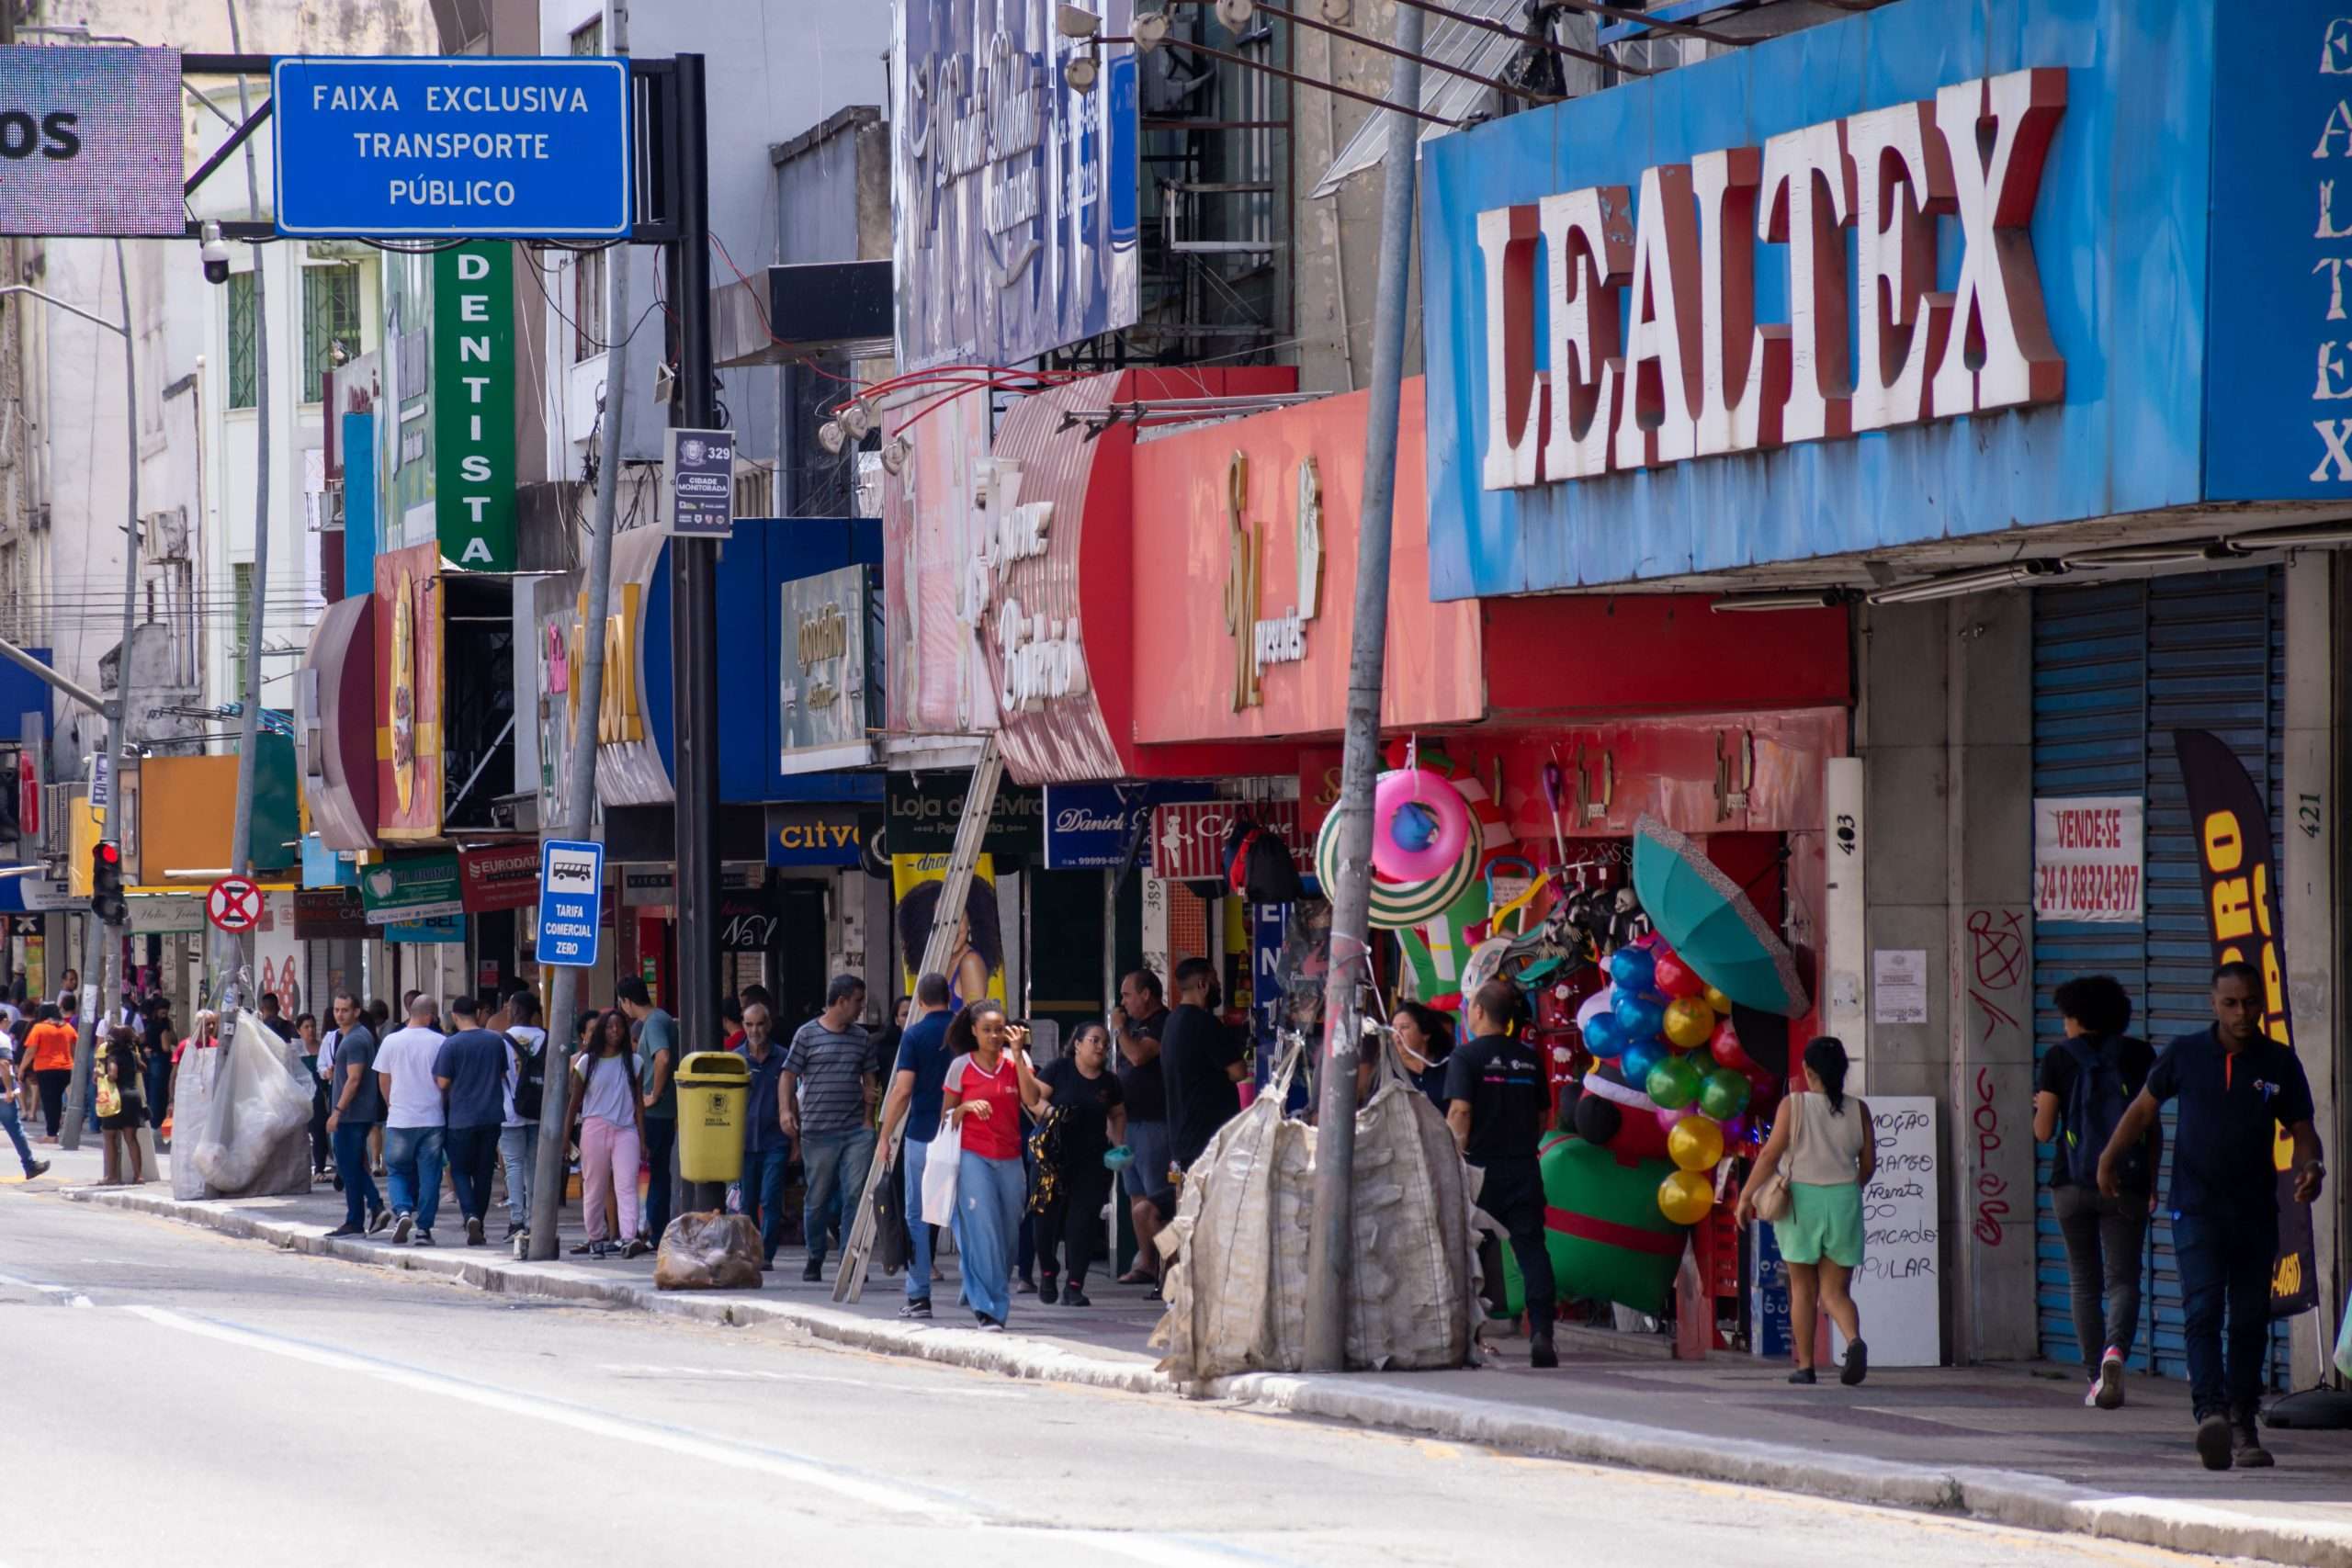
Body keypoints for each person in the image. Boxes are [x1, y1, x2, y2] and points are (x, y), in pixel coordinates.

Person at [2098, 962, 2324, 1471]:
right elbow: (2141, 1110)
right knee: (2202, 1312)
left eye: (2250, 1002)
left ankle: (2244, 1424)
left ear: (2262, 1001)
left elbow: (2301, 1127)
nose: (2242, 1012)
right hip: (2195, 1208)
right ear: (2213, 1004)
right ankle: (2211, 1416)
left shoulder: (2279, 1062)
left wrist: (2311, 1164)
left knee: (2248, 1319)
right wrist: (2108, 1157)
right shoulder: (2186, 1054)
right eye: (2231, 1003)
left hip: (2255, 1212)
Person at [2034, 974, 2158, 1411]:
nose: (2063, 1025)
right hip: (2126, 1183)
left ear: (2076, 1016)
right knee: (2123, 1279)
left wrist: (2040, 1107)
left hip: (2070, 1185)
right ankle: (2115, 1352)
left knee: (2084, 1282)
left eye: (2065, 1017)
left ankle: (2094, 1378)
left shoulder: (2057, 1058)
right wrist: (2151, 1182)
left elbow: (2044, 1130)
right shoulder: (2141, 1054)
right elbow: (2151, 1125)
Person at [1736, 1036, 1872, 1387]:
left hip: (1801, 1201)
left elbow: (1769, 1156)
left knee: (1802, 1289)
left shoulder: (1793, 1105)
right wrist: (1848, 1187)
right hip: (1844, 1199)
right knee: (1836, 1292)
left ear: (1807, 1071)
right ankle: (1854, 1341)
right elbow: (1869, 1164)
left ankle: (1806, 1366)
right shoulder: (1859, 1109)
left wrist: (1746, 1196)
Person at [1443, 981, 1558, 1369]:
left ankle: (1468, 1337)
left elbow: (1460, 1111)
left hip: (1479, 1169)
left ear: (1477, 1012)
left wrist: (1452, 1153)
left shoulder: (1466, 1057)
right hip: (1524, 1166)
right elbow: (1545, 1117)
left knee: (1469, 1251)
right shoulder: (1529, 1060)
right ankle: (1542, 1332)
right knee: (1531, 1250)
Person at [940, 1000, 1039, 1330]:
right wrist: (966, 1107)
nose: (995, 1036)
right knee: (984, 1232)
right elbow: (947, 1116)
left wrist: (1018, 1052)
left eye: (999, 1029)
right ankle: (990, 1308)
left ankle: (977, 1283)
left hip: (1010, 1156)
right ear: (973, 1031)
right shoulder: (960, 1067)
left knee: (1009, 1233)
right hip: (973, 1156)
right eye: (987, 1030)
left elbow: (1031, 1099)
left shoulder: (1016, 1060)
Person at [781, 974, 876, 1282]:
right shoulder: (806, 1035)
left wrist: (867, 1119)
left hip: (854, 1132)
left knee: (854, 1195)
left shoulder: (861, 1037)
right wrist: (785, 1112)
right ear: (841, 1001)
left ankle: (849, 1259)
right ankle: (815, 1255)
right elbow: (787, 1076)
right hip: (818, 1132)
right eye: (858, 1001)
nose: (861, 1008)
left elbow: (870, 1077)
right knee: (817, 1198)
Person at [876, 972, 956, 1319]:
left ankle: (919, 1296)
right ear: (950, 998)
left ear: (921, 1002)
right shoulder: (966, 1033)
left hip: (922, 1135)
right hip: (961, 1136)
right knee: (963, 1215)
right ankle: (979, 1294)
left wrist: (885, 1134)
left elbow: (903, 1090)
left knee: (917, 1216)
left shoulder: (915, 1035)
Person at [1031, 1020, 1125, 1306]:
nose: (1101, 1047)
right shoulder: (1058, 1070)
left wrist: (1119, 1143)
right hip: (1052, 1158)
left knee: (1082, 1223)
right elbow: (1033, 1098)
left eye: (1106, 1043)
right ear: (1078, 1044)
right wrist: (1050, 1113)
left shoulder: (1109, 1082)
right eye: (1095, 1040)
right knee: (1045, 1221)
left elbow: (1117, 1113)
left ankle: (1075, 1285)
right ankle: (1048, 1271)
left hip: (1091, 1161)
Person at [1108, 968, 1172, 1292]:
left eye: (1127, 994)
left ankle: (1168, 1268)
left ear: (1147, 994)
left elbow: (1136, 1056)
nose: (1123, 1002)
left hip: (1155, 1122)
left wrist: (1119, 1029)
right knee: (1134, 1193)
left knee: (1155, 1195)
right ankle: (1146, 1262)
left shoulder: (1162, 1023)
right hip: (1128, 1121)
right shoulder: (1132, 1027)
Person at [570, 1008, 650, 1258]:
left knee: (626, 1185)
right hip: (594, 1129)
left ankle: (629, 1237)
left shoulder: (635, 1062)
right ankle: (595, 1237)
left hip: (626, 1131)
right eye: (609, 1027)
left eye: (619, 1026)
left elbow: (638, 1104)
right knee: (594, 1186)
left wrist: (643, 1138)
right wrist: (565, 1139)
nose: (615, 1031)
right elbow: (574, 1103)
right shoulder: (586, 1062)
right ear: (601, 1032)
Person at [434, 995, 509, 1247]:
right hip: (491, 1115)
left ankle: (470, 1214)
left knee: (460, 1170)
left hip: (461, 1118)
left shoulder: (451, 1045)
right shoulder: (495, 1041)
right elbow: (501, 1073)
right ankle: (480, 1221)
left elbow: (442, 1082)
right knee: (484, 1172)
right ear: (477, 1013)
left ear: (454, 1016)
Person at [1161, 957, 1245, 1179]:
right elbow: (1238, 1072)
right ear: (1203, 985)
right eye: (1215, 980)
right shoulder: (1204, 1023)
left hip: (1184, 1137)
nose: (1218, 985)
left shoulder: (1172, 1022)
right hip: (1208, 1139)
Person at [375, 994, 448, 1247]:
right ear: (430, 1015)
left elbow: (383, 1078)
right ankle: (424, 1230)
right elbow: (445, 1081)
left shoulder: (391, 1041)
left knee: (396, 1171)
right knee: (430, 1175)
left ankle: (403, 1211)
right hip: (432, 1119)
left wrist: (390, 1104)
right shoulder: (440, 1042)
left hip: (400, 1118)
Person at [615, 976, 678, 1244]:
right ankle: (656, 1230)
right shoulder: (662, 1018)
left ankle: (646, 1228)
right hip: (665, 1112)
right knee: (659, 1172)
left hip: (653, 1112)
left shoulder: (652, 1023)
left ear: (627, 1001)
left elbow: (662, 1057)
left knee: (645, 1171)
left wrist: (655, 1094)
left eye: (622, 1004)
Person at [322, 993, 386, 1237]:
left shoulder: (356, 1039)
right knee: (354, 1166)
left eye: (345, 1010)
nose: (340, 1015)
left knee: (349, 1168)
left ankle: (367, 1211)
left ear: (357, 1012)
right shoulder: (352, 1038)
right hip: (355, 1113)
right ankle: (364, 1214)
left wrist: (337, 1111)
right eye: (337, 1010)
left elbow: (355, 1078)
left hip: (351, 1115)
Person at [733, 1001, 791, 1269]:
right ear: (743, 1025)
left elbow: (794, 1099)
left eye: (759, 1024)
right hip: (744, 1141)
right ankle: (752, 1249)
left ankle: (766, 1254)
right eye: (749, 1024)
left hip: (775, 1139)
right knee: (748, 1202)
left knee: (771, 1198)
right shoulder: (735, 1060)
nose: (754, 1030)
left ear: (768, 1025)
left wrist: (796, 1140)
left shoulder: (784, 1058)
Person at [499, 991, 547, 1243]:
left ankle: (517, 1219)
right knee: (534, 1166)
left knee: (514, 1165)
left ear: (515, 1011)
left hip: (510, 1111)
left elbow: (499, 1076)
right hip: (540, 1110)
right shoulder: (548, 1036)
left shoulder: (503, 1041)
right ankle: (535, 1219)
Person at [0, 1020, 48, 1179]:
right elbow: (4, 1064)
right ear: (4, 1021)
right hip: (2, 1094)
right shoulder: (2, 1038)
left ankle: (30, 1165)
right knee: (16, 1130)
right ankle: (29, 1165)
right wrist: (8, 1089)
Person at [97, 1030, 145, 1184]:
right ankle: (138, 1176)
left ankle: (111, 1176)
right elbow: (142, 1068)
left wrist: (100, 1075)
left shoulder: (113, 1055)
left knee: (109, 1137)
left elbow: (113, 1075)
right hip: (133, 1096)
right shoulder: (133, 1055)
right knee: (131, 1138)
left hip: (116, 1097)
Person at [23, 1003, 75, 1142]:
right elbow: (75, 1046)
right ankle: (54, 1131)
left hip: (46, 1069)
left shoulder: (39, 1028)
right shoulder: (67, 1027)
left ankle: (51, 1134)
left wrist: (22, 1068)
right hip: (66, 1068)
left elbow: (30, 1051)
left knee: (50, 1102)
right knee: (57, 1101)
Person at [1390, 1002, 1457, 1110]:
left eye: (1404, 1027)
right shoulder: (1388, 1071)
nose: (1397, 1034)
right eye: (1393, 1028)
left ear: (1425, 1034)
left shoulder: (1449, 1064)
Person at [292, 1010, 332, 1179]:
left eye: (312, 1026)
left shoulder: (323, 1047)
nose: (310, 1030)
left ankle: (320, 1169)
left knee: (319, 1132)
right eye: (306, 1027)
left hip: (319, 1096)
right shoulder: (294, 1050)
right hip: (300, 1096)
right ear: (299, 1030)